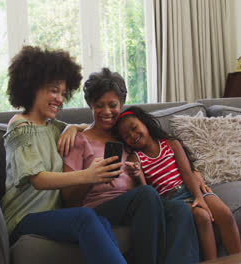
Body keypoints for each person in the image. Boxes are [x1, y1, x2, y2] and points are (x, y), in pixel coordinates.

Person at [1, 46, 126, 264]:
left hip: (53, 216)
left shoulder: (53, 127)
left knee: (101, 221)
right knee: (85, 217)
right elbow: (38, 179)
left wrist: (73, 127)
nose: (59, 99)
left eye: (62, 92)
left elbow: (87, 126)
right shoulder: (19, 126)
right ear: (32, 87)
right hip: (23, 218)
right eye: (53, 90)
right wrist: (89, 175)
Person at [62, 68, 199, 264]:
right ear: (90, 105)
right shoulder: (80, 141)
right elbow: (68, 200)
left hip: (139, 206)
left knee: (180, 209)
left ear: (122, 104)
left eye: (113, 105)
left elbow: (165, 156)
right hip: (99, 209)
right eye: (99, 105)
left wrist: (196, 174)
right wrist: (91, 177)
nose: (107, 112)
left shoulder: (127, 136)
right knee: (146, 194)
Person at [113, 106, 241, 261]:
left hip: (191, 188)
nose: (133, 135)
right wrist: (137, 175)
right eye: (126, 136)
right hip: (171, 200)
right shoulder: (135, 158)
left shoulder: (171, 143)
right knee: (202, 217)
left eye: (134, 128)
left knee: (225, 214)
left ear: (145, 123)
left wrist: (198, 197)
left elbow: (187, 174)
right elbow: (145, 193)